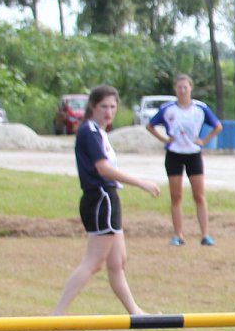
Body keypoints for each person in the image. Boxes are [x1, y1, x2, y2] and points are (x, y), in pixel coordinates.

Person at [54, 85, 160, 315]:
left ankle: (135, 311)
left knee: (117, 262)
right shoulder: (89, 132)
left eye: (113, 107)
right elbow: (103, 169)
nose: (109, 112)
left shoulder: (98, 132)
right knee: (94, 262)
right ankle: (57, 314)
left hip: (106, 198)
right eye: (104, 106)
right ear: (93, 106)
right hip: (101, 197)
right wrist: (141, 183)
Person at [145, 73, 222, 246]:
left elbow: (217, 126)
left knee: (199, 195)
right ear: (175, 89)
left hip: (193, 154)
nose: (182, 90)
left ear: (190, 88)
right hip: (174, 154)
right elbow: (150, 125)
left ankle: (205, 234)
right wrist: (165, 139)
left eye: (185, 87)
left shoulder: (200, 108)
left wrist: (204, 141)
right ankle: (178, 234)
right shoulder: (168, 109)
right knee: (176, 196)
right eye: (179, 87)